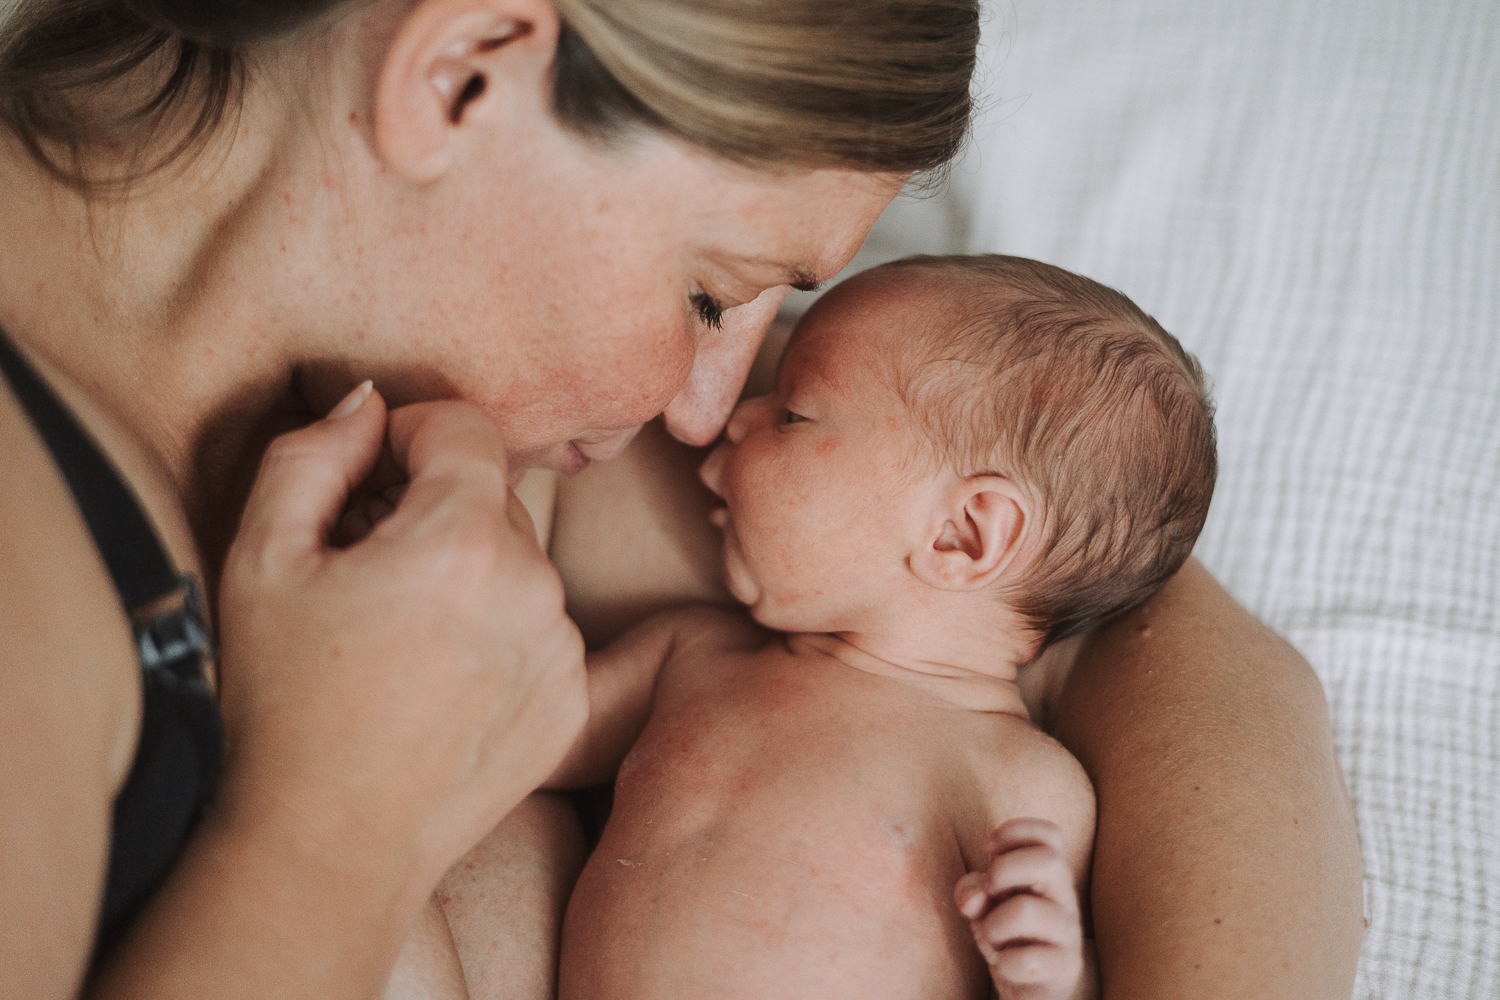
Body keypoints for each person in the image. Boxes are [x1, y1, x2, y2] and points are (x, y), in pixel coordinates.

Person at [0, 2, 1362, 999]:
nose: (710, 406)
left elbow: (1153, 644)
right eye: (710, 291)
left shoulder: (443, 365)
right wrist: (336, 817)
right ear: (468, 72)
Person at [410, 254, 1213, 1000]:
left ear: (962, 534)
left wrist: (1050, 974)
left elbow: (1052, 970)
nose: (734, 416)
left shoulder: (1017, 781)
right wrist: (471, 555)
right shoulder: (690, 652)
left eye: (792, 412)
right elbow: (521, 729)